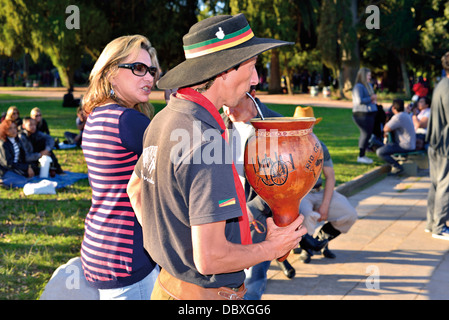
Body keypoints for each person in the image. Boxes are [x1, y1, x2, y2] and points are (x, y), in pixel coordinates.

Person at [127, 14, 305, 300]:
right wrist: (272, 247)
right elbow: (210, 258)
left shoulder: (163, 119)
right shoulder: (207, 142)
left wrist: (175, 245)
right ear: (223, 70)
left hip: (168, 285)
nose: (257, 79)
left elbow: (135, 189)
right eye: (252, 66)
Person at [221, 92, 327, 299]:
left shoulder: (277, 126)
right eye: (224, 105)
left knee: (253, 280)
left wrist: (251, 208)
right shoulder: (220, 124)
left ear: (248, 95)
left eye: (231, 103)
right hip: (227, 214)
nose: (227, 110)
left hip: (259, 216)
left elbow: (287, 182)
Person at [80, 35, 161, 299]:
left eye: (151, 70)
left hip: (100, 246)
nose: (148, 77)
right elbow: (180, 166)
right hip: (128, 254)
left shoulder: (96, 116)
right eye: (138, 69)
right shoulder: (129, 121)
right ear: (112, 72)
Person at [293, 108, 358, 263]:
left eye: (309, 124)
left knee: (349, 214)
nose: (305, 128)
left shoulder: (319, 146)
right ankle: (305, 248)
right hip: (301, 194)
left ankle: (322, 240)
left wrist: (325, 204)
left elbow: (330, 177)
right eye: (301, 124)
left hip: (318, 191)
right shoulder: (289, 146)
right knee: (308, 216)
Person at [425, 52, 449, 241]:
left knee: (436, 184)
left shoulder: (441, 84)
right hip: (444, 144)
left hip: (435, 142)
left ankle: (431, 224)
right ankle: (439, 227)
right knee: (445, 185)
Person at [376, 99, 416, 175]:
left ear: (393, 108)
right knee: (384, 147)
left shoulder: (398, 117)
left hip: (404, 146)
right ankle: (395, 162)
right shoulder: (405, 115)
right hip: (410, 144)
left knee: (380, 152)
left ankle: (398, 167)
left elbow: (386, 128)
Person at [352, 67, 377, 164]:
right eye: (368, 75)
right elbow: (359, 101)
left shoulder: (368, 85)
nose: (370, 77)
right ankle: (361, 155)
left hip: (370, 113)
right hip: (361, 114)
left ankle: (363, 155)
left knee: (367, 134)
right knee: (365, 133)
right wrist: (371, 98)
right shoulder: (358, 87)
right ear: (363, 76)